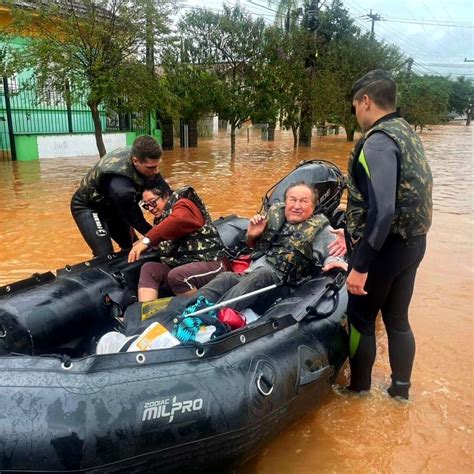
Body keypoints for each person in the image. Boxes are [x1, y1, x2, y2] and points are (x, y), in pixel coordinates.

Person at [329, 69, 433, 400]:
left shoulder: (377, 142)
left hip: (384, 248)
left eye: (355, 107)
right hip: (413, 243)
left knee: (360, 318)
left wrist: (360, 265)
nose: (356, 115)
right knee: (397, 319)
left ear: (366, 101)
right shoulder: (406, 132)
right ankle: (400, 393)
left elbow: (384, 209)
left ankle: (358, 391)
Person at [197, 182, 347, 313]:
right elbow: (253, 247)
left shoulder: (322, 230)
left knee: (262, 274)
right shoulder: (274, 218)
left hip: (281, 287)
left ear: (313, 207)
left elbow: (335, 254)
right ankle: (185, 312)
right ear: (286, 202)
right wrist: (252, 235)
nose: (296, 206)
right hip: (251, 277)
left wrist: (333, 261)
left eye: (304, 201)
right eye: (292, 200)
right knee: (226, 278)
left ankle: (213, 316)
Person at [128, 182, 231, 302]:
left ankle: (200, 310)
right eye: (146, 206)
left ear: (166, 195)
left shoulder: (184, 204)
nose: (151, 208)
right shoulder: (161, 218)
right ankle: (146, 314)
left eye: (153, 202)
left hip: (212, 264)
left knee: (177, 276)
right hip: (183, 266)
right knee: (149, 268)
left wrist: (148, 239)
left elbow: (179, 220)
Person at [71, 135, 165, 257]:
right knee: (106, 256)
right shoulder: (121, 187)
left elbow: (165, 195)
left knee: (131, 247)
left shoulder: (144, 158)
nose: (156, 171)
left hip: (114, 206)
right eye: (151, 167)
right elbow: (136, 219)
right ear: (135, 161)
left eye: (158, 166)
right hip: (89, 207)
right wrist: (157, 237)